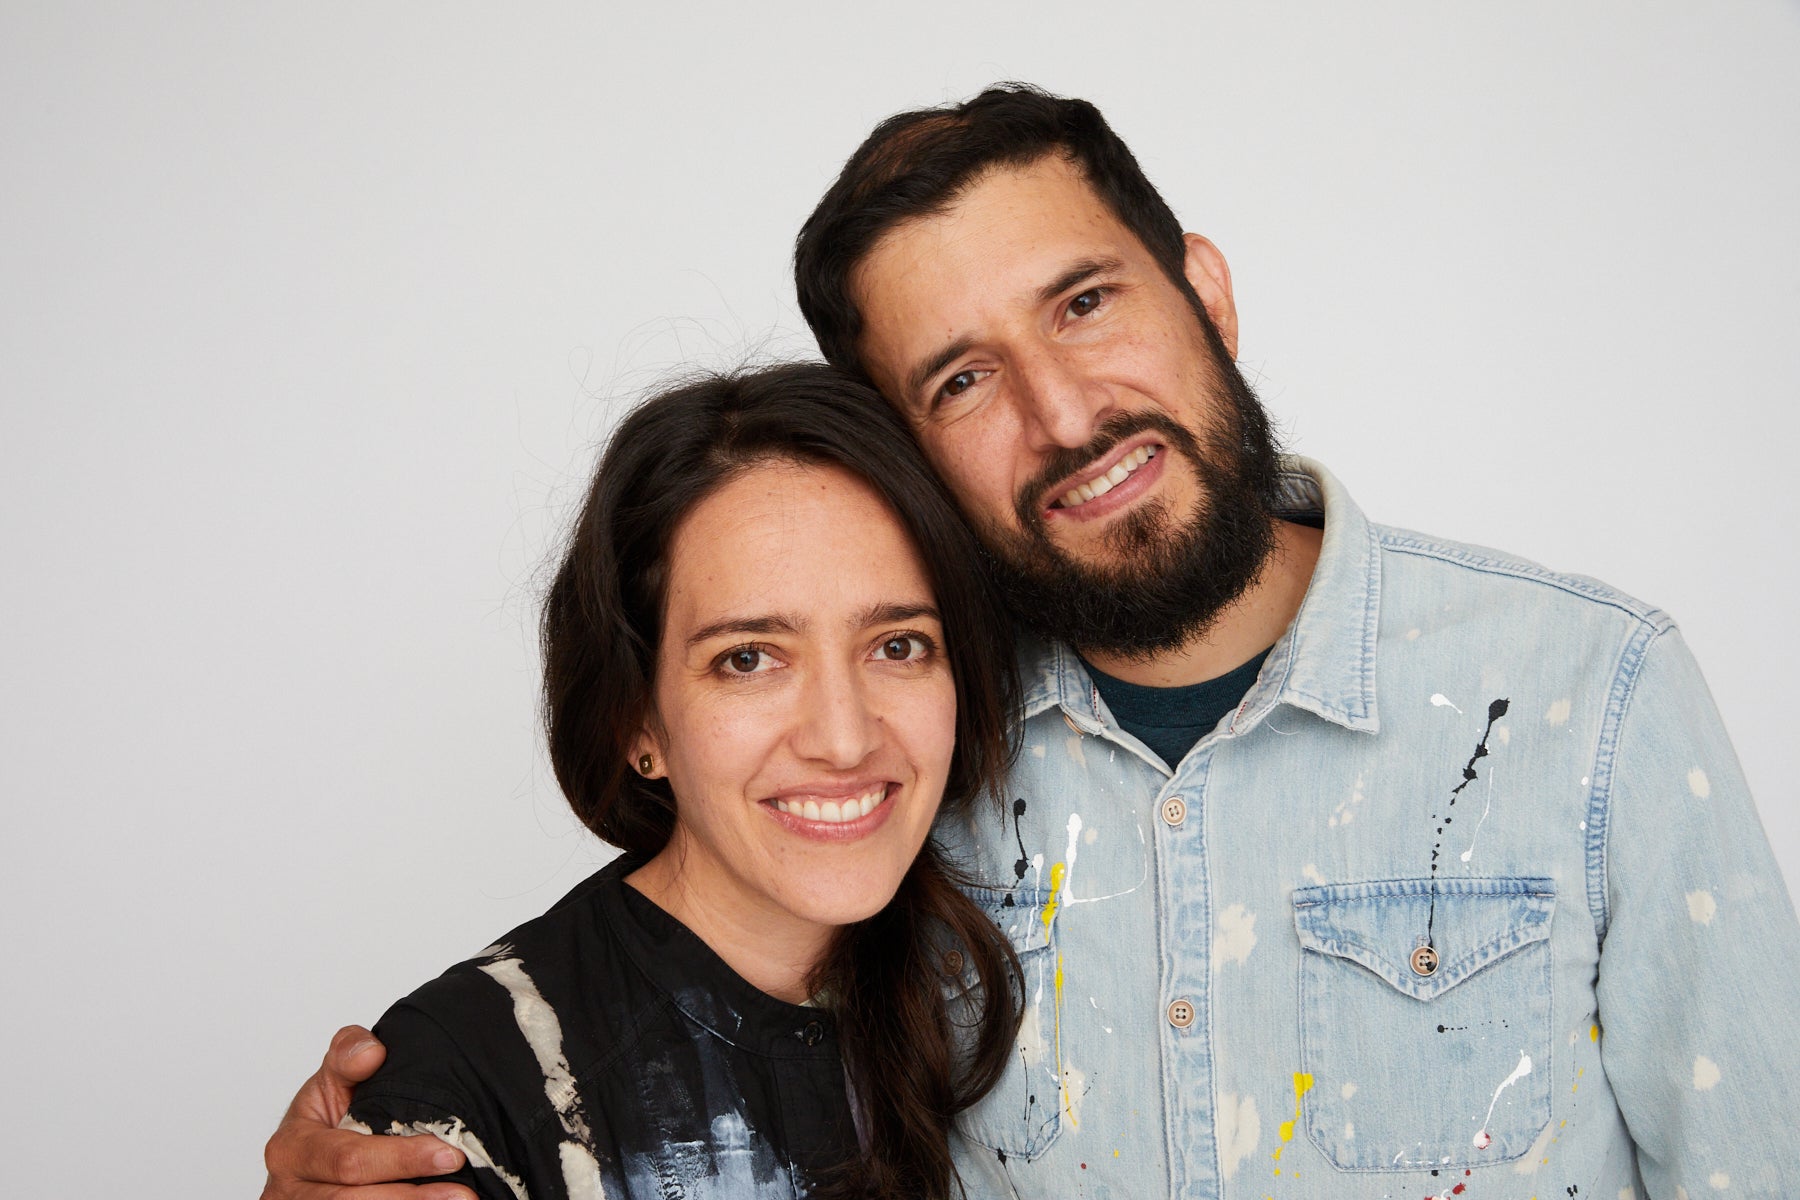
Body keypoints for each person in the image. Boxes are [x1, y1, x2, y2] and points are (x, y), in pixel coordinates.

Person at [265, 86, 1800, 1199]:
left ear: (1204, 290)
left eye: (1083, 303)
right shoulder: (901, 764)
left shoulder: (1592, 694)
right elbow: (675, 993)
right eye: (961, 381)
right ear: (910, 456)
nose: (1064, 414)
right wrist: (408, 1118)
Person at [309, 363, 1026, 1200]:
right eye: (748, 659)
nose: (843, 739)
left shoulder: (1008, 961)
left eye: (898, 646)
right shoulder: (466, 1084)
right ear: (637, 722)